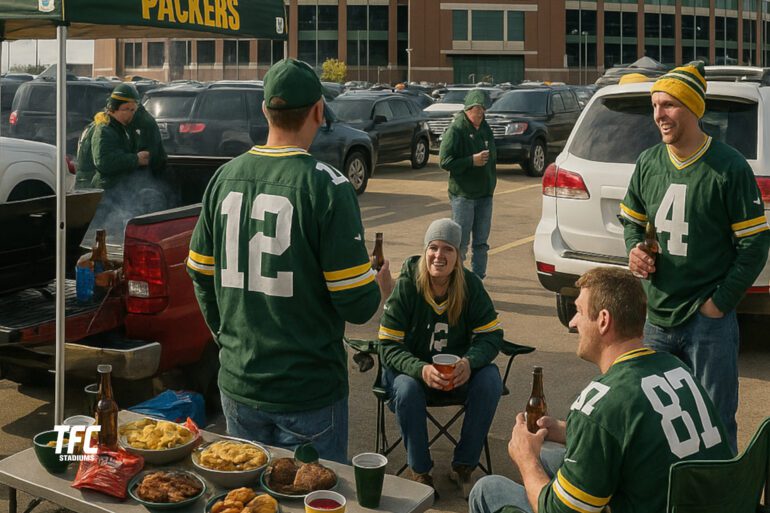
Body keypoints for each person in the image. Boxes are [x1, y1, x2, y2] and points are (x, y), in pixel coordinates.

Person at [186, 59, 392, 463]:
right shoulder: (328, 186)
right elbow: (355, 302)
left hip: (239, 380)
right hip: (308, 389)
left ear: (265, 110)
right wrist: (378, 288)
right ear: (318, 110)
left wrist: (226, 338)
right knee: (311, 499)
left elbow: (199, 274)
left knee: (249, 497)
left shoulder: (224, 177)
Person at [469, 267, 732, 513]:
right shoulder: (675, 368)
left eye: (579, 312)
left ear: (603, 320)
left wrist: (525, 459)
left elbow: (561, 511)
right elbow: (641, 434)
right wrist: (570, 431)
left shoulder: (600, 403)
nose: (572, 323)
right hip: (695, 502)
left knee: (487, 488)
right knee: (550, 453)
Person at [621, 61, 770, 453]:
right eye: (655, 105)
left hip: (708, 324)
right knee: (654, 421)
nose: (659, 115)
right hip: (656, 317)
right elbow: (632, 223)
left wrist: (720, 303)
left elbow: (755, 244)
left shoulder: (729, 166)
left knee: (715, 421)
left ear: (692, 108)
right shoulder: (648, 162)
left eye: (668, 105)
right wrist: (634, 250)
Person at [378, 218, 503, 498]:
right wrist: (419, 369)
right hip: (412, 376)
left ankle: (464, 466)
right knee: (407, 389)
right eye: (433, 247)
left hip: (454, 375)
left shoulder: (470, 285)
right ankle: (420, 471)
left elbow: (492, 336)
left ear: (458, 256)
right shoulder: (409, 283)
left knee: (491, 379)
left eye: (448, 249)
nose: (439, 255)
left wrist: (469, 362)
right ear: (425, 251)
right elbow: (387, 344)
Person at [439, 89, 497, 280]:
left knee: (481, 242)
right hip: (463, 196)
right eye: (477, 109)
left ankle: (478, 279)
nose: (480, 114)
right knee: (461, 242)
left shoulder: (485, 129)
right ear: (467, 109)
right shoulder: (456, 130)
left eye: (483, 110)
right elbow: (444, 161)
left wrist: (490, 185)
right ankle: (457, 279)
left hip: (484, 195)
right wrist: (471, 161)